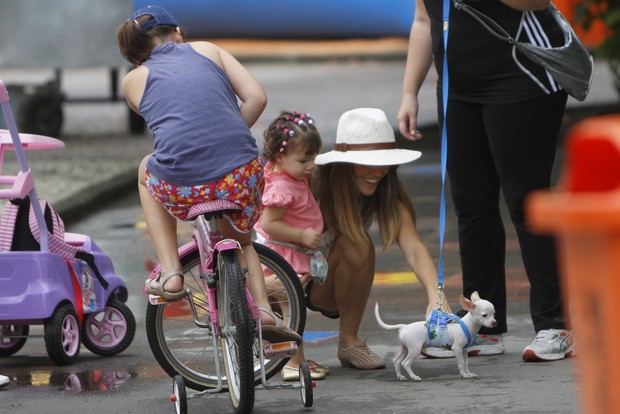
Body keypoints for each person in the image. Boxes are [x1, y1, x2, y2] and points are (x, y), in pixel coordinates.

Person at [397, 0, 572, 361]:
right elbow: (423, 19)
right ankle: (485, 327)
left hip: (522, 77)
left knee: (527, 202)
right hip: (458, 88)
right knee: (472, 206)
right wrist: (409, 93)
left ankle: (556, 324)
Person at [116, 5, 300, 344]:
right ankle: (263, 308)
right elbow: (257, 97)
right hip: (240, 173)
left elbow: (169, 129)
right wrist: (229, 133)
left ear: (136, 54)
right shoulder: (207, 49)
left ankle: (172, 272)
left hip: (183, 182)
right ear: (179, 34)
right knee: (244, 241)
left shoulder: (132, 81)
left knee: (145, 170)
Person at [306, 107, 451, 370]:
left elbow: (414, 248)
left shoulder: (386, 190)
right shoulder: (312, 182)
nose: (378, 171)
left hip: (323, 285)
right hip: (283, 282)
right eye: (369, 162)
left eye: (384, 162)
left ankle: (349, 342)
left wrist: (436, 297)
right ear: (344, 163)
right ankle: (274, 348)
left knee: (357, 243)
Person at [254, 110, 330, 381]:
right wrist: (301, 235)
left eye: (313, 158)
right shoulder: (282, 187)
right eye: (303, 160)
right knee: (291, 310)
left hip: (290, 252)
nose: (311, 166)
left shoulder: (288, 174)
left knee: (290, 308)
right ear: (278, 157)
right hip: (284, 254)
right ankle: (293, 365)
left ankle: (289, 357)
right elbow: (269, 223)